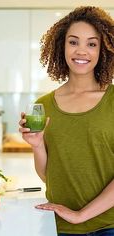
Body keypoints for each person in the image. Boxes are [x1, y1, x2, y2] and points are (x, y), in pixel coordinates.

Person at [19, 6, 114, 235]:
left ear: (102, 50)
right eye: (73, 42)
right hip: (59, 226)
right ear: (61, 46)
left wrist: (80, 215)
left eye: (91, 44)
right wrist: (37, 145)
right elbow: (48, 176)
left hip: (108, 226)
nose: (81, 51)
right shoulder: (44, 105)